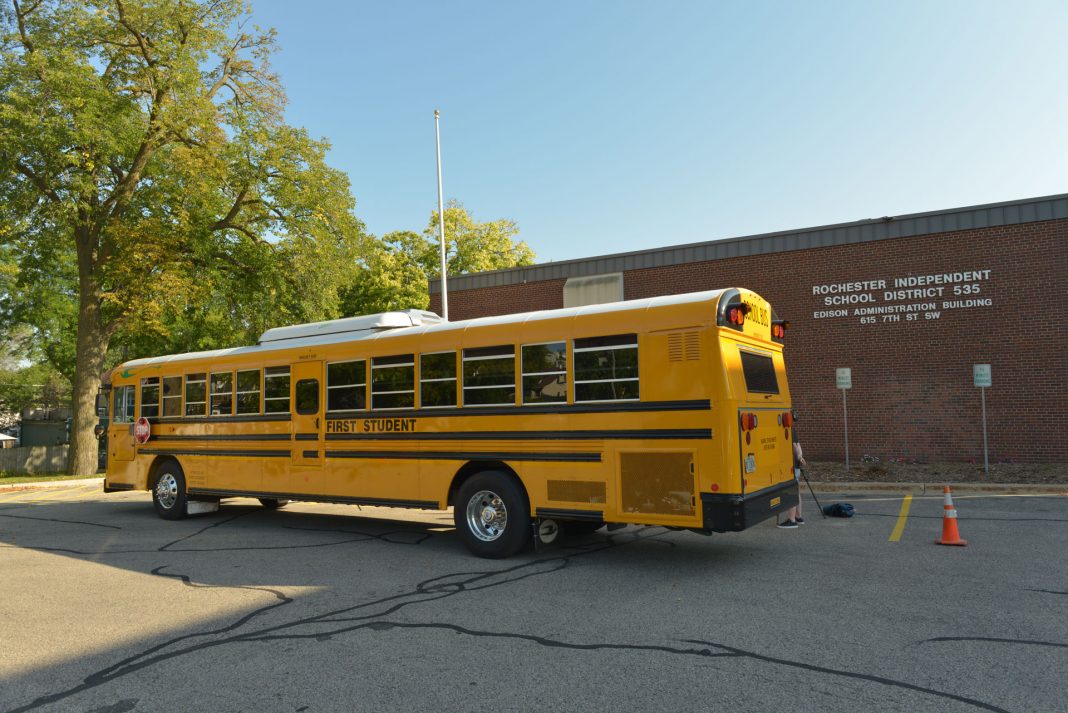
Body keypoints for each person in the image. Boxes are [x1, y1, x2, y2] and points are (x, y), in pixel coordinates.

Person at [778, 414, 806, 529]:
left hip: (791, 465)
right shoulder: (792, 430)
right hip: (796, 465)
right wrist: (800, 458)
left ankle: (792, 519)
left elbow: (795, 447)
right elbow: (798, 446)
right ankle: (799, 517)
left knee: (791, 491)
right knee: (796, 490)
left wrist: (798, 458)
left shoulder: (787, 431)